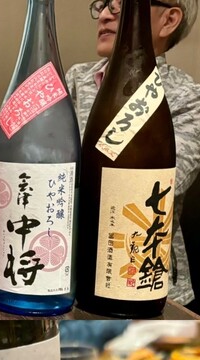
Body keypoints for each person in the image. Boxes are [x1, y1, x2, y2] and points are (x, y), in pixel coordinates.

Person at [66, 0, 200, 308]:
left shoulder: (188, 97)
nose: (104, 15)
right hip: (69, 274)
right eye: (102, 5)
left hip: (147, 284)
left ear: (169, 20)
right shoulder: (76, 79)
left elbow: (158, 183)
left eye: (118, 5)